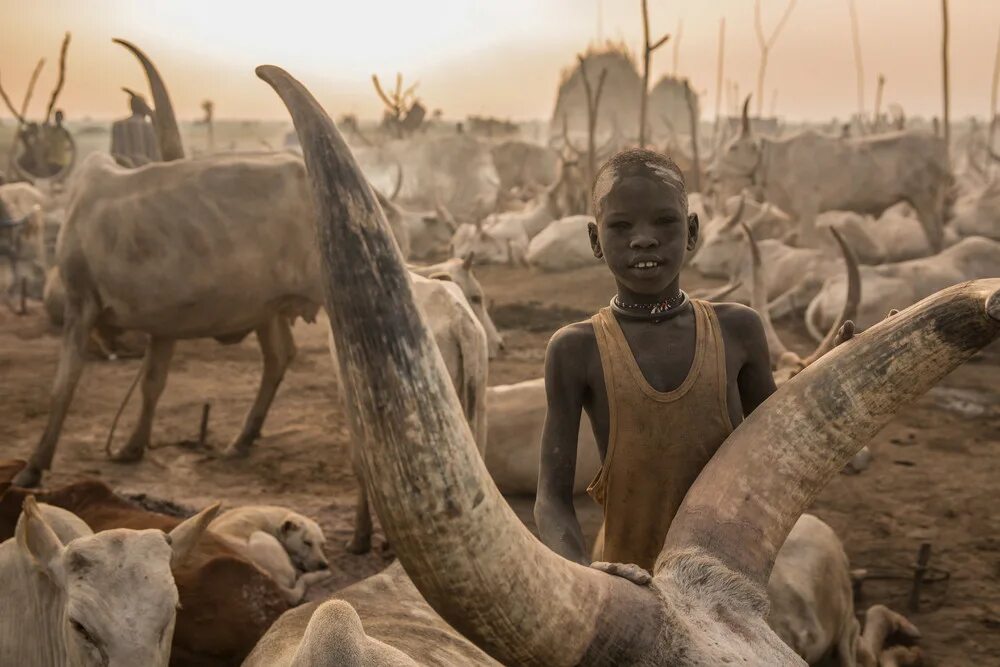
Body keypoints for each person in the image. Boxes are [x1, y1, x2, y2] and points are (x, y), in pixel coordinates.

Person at [534, 148, 777, 581]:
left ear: (691, 231)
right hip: (633, 590)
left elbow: (781, 455)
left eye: (664, 222)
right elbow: (551, 499)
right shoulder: (576, 350)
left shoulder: (738, 330)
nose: (643, 239)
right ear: (595, 240)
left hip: (733, 586)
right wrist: (585, 579)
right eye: (621, 226)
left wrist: (832, 374)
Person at [110, 88, 161, 167]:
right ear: (144, 107)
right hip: (144, 171)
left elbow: (114, 154)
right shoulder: (148, 127)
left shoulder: (118, 125)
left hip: (121, 170)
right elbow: (155, 157)